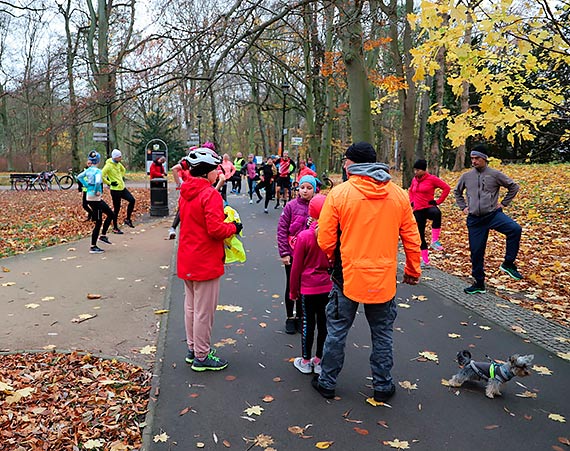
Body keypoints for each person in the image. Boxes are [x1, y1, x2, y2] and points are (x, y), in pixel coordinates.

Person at [312, 142, 421, 403]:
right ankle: (383, 385)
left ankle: (327, 381)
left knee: (337, 331)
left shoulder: (339, 194)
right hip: (383, 278)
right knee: (382, 333)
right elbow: (412, 236)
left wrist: (332, 257)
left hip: (346, 275)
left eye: (345, 160)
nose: (344, 164)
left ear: (351, 163)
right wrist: (412, 269)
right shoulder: (398, 195)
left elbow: (325, 240)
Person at [177, 146, 243, 372]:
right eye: (216, 169)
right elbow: (215, 229)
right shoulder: (210, 195)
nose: (219, 172)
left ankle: (193, 349)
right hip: (205, 261)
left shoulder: (186, 191)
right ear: (207, 172)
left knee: (191, 308)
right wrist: (234, 227)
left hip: (187, 258)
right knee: (204, 311)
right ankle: (202, 356)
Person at [454, 145, 523, 294]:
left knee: (515, 229)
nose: (474, 161)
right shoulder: (466, 176)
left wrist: (503, 203)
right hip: (474, 220)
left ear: (484, 159)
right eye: (472, 158)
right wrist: (463, 207)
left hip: (492, 215)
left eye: (477, 158)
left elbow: (513, 187)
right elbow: (457, 192)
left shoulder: (495, 174)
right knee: (476, 252)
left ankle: (508, 263)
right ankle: (479, 283)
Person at [289, 194, 331, 375]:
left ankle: (305, 360)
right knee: (324, 324)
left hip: (307, 287)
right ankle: (320, 359)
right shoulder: (332, 237)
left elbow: (296, 267)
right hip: (327, 286)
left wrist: (293, 291)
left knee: (308, 322)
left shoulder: (304, 237)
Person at [277, 174, 316, 334]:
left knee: (304, 286)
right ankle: (289, 317)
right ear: (297, 189)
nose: (305, 191)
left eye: (309, 188)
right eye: (302, 187)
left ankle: (301, 316)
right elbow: (282, 230)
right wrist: (284, 252)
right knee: (291, 284)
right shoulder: (291, 206)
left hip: (309, 255)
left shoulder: (318, 207)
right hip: (292, 253)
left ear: (314, 190)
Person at [408, 159, 451, 268]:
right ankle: (425, 260)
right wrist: (411, 201)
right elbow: (411, 191)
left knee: (437, 213)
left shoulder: (432, 179)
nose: (415, 172)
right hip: (418, 209)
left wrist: (438, 201)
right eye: (415, 170)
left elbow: (446, 188)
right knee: (420, 235)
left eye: (418, 170)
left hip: (428, 206)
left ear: (424, 170)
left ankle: (435, 240)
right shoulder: (414, 179)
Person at [76, 151, 115, 254]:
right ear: (98, 160)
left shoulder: (88, 170)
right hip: (95, 198)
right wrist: (97, 189)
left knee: (110, 214)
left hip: (90, 196)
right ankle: (93, 246)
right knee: (99, 221)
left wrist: (87, 185)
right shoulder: (98, 171)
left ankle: (103, 235)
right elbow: (98, 181)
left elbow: (79, 177)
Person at [102, 149, 136, 233]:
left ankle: (128, 219)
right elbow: (101, 176)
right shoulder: (108, 166)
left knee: (132, 200)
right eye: (119, 157)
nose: (121, 158)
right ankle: (115, 227)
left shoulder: (118, 164)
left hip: (122, 188)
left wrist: (120, 177)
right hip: (115, 190)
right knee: (117, 209)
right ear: (115, 157)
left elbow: (123, 170)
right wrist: (110, 183)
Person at [168, 156, 192, 240]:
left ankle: (174, 228)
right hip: (185, 191)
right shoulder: (181, 170)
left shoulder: (191, 169)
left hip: (193, 189)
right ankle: (173, 228)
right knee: (182, 209)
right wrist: (181, 185)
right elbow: (177, 175)